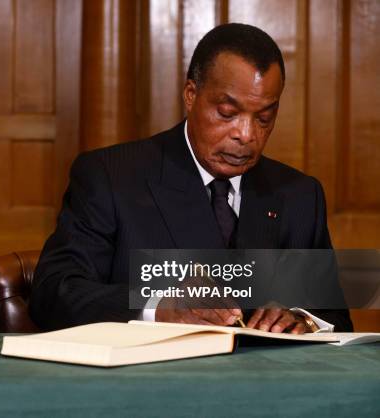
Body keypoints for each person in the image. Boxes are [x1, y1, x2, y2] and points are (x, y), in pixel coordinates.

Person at [29, 23, 353, 333]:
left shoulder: (299, 196)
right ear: (190, 95)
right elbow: (54, 291)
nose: (246, 135)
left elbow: (334, 316)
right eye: (227, 114)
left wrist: (304, 320)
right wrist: (158, 307)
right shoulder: (111, 177)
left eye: (264, 118)